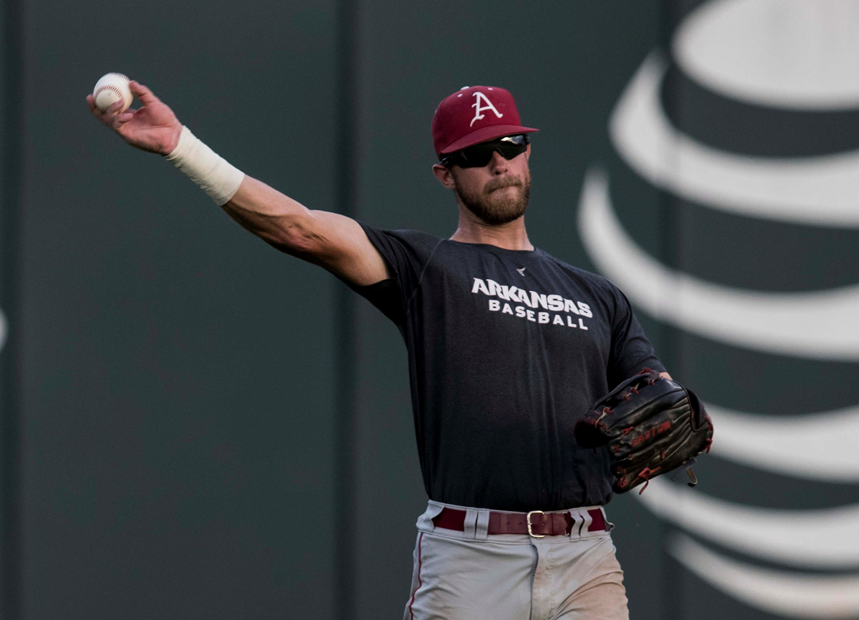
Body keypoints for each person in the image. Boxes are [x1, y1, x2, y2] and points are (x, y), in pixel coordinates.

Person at [88, 81, 670, 620]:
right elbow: (298, 227)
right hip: (472, 559)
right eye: (474, 153)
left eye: (509, 144)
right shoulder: (426, 269)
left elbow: (660, 398)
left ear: (526, 153)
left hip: (585, 556)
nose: (497, 161)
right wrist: (180, 147)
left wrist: (669, 415)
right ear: (446, 174)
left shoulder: (597, 295)